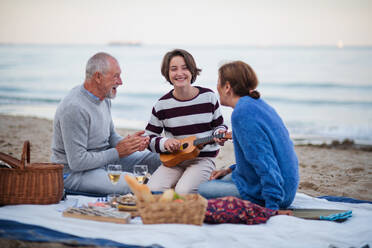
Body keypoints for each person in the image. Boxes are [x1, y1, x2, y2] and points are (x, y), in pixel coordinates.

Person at [51, 52, 161, 195]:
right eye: (116, 76)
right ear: (98, 77)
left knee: (156, 159)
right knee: (137, 182)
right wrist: (117, 152)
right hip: (74, 174)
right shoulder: (74, 107)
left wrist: (131, 144)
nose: (120, 82)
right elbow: (77, 162)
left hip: (105, 162)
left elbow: (111, 137)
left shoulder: (104, 98)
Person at [198, 61, 299, 211]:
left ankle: (263, 198)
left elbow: (265, 162)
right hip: (281, 182)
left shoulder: (242, 114)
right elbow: (259, 153)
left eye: (218, 83)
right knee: (217, 179)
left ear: (227, 87)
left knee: (203, 189)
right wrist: (231, 170)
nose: (216, 88)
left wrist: (272, 206)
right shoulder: (256, 104)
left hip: (280, 192)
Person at [145, 49, 228, 194]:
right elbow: (148, 138)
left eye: (185, 68)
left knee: (184, 190)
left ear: (192, 71)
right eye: (173, 69)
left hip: (203, 159)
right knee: (152, 190)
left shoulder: (208, 97)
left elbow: (219, 125)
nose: (179, 73)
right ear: (167, 73)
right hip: (174, 161)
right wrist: (165, 143)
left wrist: (219, 133)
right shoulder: (161, 105)